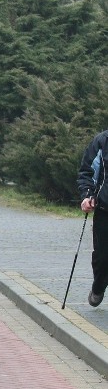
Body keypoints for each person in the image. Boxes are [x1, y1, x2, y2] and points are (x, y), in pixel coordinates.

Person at [77, 130, 108, 307]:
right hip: (105, 209)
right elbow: (86, 172)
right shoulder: (102, 141)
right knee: (103, 258)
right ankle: (98, 286)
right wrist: (87, 196)